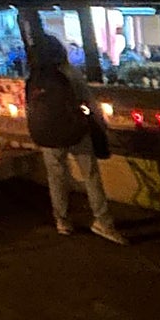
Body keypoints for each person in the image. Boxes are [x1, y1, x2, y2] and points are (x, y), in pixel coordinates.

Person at [28, 35, 128, 245]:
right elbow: (89, 102)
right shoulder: (70, 73)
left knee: (56, 177)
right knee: (90, 175)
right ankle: (102, 221)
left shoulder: (35, 77)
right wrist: (101, 125)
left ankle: (62, 220)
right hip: (75, 132)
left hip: (48, 135)